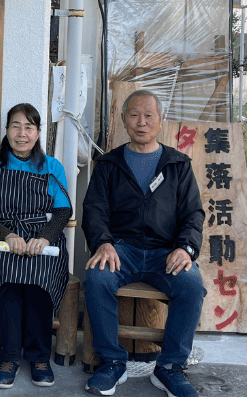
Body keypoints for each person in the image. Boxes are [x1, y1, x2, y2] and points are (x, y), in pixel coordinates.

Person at [82, 89, 205, 397]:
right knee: (97, 278)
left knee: (191, 282)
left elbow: (193, 214)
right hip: (122, 249)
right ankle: (111, 362)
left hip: (167, 251)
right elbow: (94, 210)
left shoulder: (177, 164)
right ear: (124, 119)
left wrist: (185, 248)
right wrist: (103, 242)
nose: (141, 122)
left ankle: (170, 368)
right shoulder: (108, 164)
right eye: (134, 115)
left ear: (160, 120)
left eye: (149, 116)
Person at [0, 103, 72, 389]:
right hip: (2, 239)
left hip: (43, 237)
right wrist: (8, 236)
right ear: (6, 130)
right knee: (8, 280)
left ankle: (40, 357)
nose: (22, 133)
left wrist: (45, 238)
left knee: (40, 279)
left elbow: (64, 211)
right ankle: (9, 358)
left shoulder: (52, 167)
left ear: (38, 133)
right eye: (16, 126)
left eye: (29, 127)